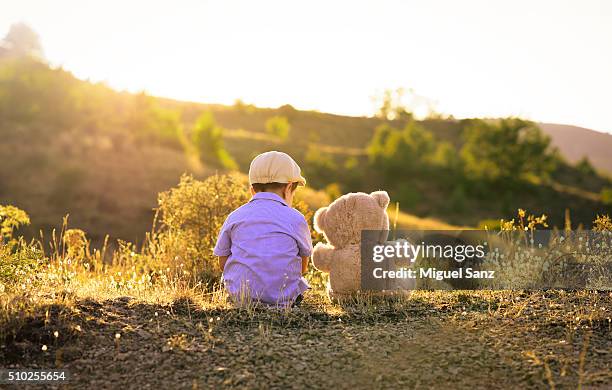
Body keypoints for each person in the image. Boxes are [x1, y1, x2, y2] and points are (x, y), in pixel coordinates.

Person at [213, 151, 312, 307]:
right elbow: (303, 266)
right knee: (300, 284)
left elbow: (222, 261)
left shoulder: (235, 216)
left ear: (252, 190)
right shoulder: (296, 218)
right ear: (288, 188)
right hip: (282, 301)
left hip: (240, 297)